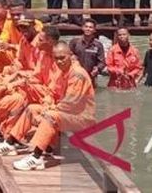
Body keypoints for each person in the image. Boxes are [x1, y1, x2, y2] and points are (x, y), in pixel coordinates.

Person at [10, 42, 97, 172]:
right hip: (67, 114)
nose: (59, 61)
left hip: (82, 118)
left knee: (50, 116)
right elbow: (51, 92)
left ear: (71, 56)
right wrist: (47, 104)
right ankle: (11, 141)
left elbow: (70, 103)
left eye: (63, 57)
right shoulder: (61, 72)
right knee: (33, 108)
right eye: (56, 58)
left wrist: (49, 110)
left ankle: (36, 157)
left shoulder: (77, 74)